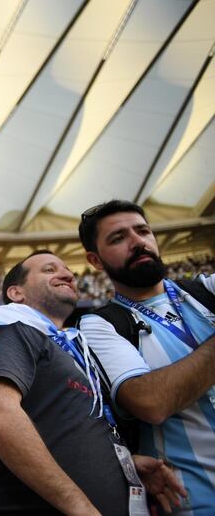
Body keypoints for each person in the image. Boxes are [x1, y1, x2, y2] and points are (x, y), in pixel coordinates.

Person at [0, 250, 184, 515]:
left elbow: (66, 428)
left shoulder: (69, 345)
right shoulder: (9, 323)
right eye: (50, 269)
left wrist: (123, 465)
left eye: (67, 270)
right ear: (16, 293)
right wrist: (79, 507)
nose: (67, 274)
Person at [78, 199, 215, 514]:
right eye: (118, 238)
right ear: (95, 260)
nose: (137, 242)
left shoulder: (205, 290)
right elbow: (151, 402)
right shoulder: (101, 324)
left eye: (143, 231)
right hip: (194, 502)